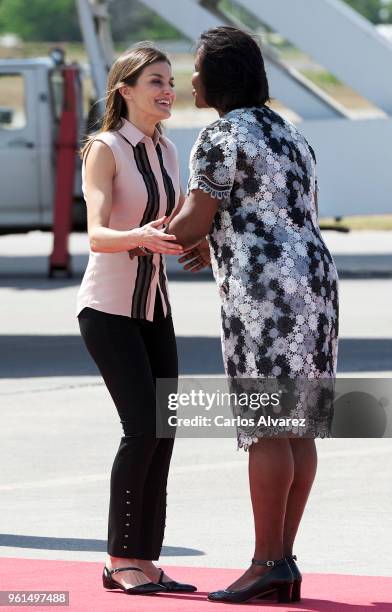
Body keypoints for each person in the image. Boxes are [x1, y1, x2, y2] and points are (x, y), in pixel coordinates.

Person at [169, 26, 339, 604]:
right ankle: (283, 560)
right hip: (314, 281)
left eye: (194, 67)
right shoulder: (289, 132)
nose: (189, 78)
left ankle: (267, 562)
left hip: (263, 292)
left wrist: (152, 237)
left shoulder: (220, 134)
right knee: (299, 422)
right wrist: (214, 235)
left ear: (219, 77)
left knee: (266, 422)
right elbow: (281, 209)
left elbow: (192, 221)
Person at [76, 43, 196, 596]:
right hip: (108, 311)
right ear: (124, 90)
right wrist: (139, 237)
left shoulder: (169, 149)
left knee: (165, 431)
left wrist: (197, 245)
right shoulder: (104, 148)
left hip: (155, 310)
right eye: (155, 81)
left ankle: (147, 559)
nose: (168, 89)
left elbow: (173, 222)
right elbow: (96, 234)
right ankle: (119, 557)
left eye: (171, 80)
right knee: (141, 429)